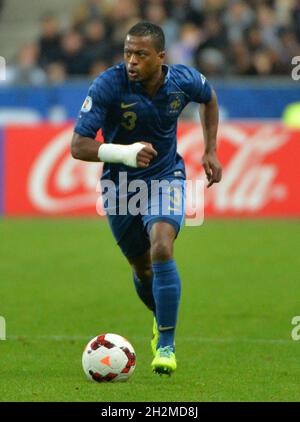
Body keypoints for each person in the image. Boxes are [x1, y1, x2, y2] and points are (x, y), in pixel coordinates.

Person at [71, 21, 222, 375]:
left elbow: (209, 96)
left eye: (140, 54)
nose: (131, 61)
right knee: (142, 268)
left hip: (165, 177)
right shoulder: (108, 84)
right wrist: (125, 153)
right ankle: (160, 317)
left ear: (160, 57)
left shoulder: (182, 80)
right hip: (120, 188)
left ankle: (166, 344)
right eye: (127, 53)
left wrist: (211, 149)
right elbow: (78, 145)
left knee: (162, 248)